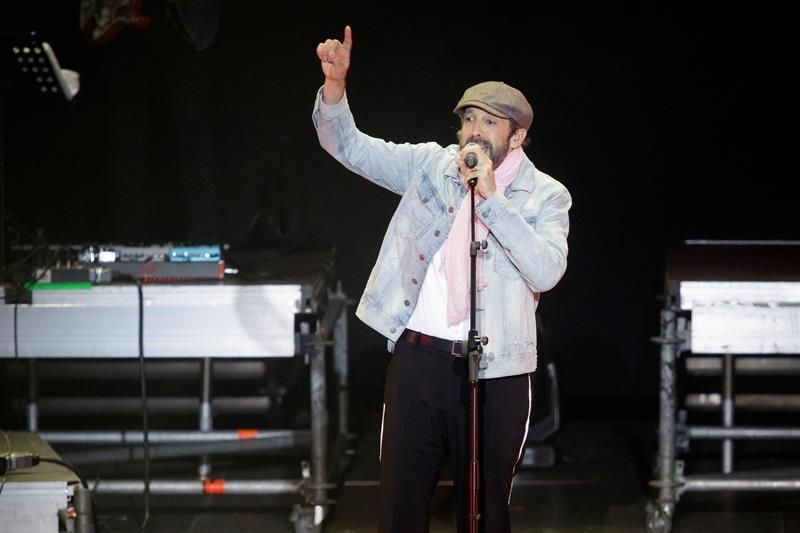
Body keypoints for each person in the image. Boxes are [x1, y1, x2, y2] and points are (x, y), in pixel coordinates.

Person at [313, 25, 571, 533]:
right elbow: (351, 149)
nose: (474, 130)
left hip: (495, 370)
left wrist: (493, 199)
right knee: (400, 509)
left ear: (516, 136)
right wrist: (335, 89)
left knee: (483, 512)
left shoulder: (547, 196)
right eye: (468, 119)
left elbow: (547, 270)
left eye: (490, 122)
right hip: (419, 359)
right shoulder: (431, 167)